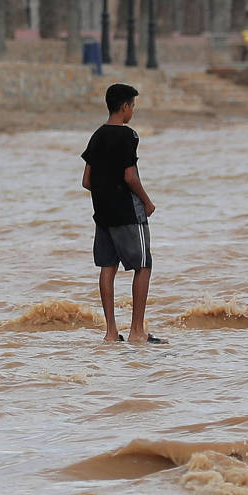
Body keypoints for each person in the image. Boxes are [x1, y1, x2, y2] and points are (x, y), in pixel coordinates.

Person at [81, 82, 161, 346]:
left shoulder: (96, 135)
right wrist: (147, 201)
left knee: (108, 267)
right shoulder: (129, 136)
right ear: (125, 106)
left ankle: (111, 333)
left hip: (102, 213)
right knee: (144, 265)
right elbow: (130, 176)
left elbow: (86, 181)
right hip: (127, 213)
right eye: (133, 106)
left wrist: (106, 194)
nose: (133, 111)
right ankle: (138, 331)